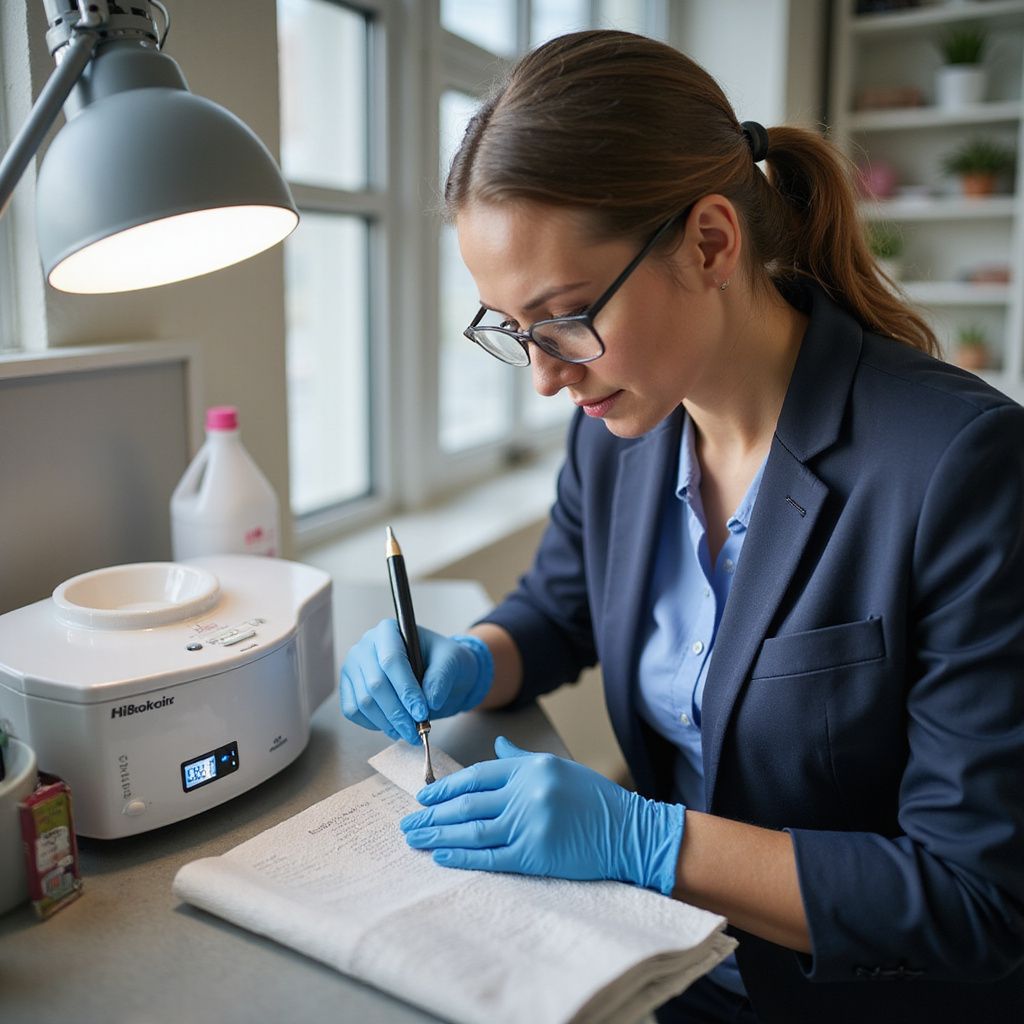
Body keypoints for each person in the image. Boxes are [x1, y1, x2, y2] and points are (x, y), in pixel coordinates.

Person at [339, 30, 1024, 1024]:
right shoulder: (620, 428)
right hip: (663, 961)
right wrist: (473, 659)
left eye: (565, 316)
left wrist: (650, 839)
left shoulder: (961, 467)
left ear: (710, 241)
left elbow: (977, 900)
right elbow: (565, 606)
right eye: (511, 330)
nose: (543, 375)